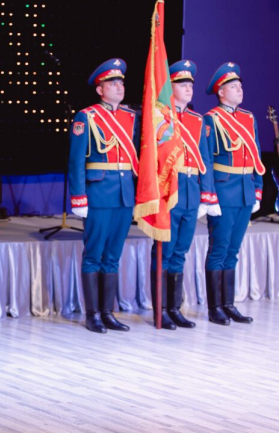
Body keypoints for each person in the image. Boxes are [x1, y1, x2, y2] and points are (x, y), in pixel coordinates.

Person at [68, 58, 140, 333]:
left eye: (121, 82)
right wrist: (78, 196)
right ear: (100, 90)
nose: (119, 87)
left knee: (112, 255)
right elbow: (76, 160)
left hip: (124, 194)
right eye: (113, 83)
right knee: (94, 255)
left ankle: (107, 312)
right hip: (98, 193)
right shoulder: (86, 117)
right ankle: (93, 315)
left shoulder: (130, 116)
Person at [149, 60, 219, 330]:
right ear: (171, 88)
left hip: (190, 192)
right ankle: (161, 311)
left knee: (180, 252)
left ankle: (174, 309)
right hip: (169, 190)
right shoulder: (160, 118)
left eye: (191, 85)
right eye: (182, 84)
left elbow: (205, 160)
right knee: (164, 253)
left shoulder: (197, 120)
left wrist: (206, 194)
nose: (189, 89)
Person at [203, 62, 265, 325]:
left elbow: (256, 156)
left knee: (233, 251)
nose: (240, 89)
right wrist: (209, 195)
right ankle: (215, 308)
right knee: (218, 250)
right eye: (233, 86)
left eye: (240, 85)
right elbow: (206, 161)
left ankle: (228, 305)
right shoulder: (211, 119)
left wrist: (258, 189)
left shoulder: (248, 118)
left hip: (245, 191)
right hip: (224, 191)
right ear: (221, 92)